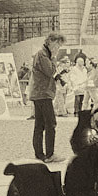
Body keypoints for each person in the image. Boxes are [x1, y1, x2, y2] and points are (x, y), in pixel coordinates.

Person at [28, 32, 66, 161]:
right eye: (58, 45)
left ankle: (39, 154)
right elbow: (50, 71)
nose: (58, 48)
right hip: (42, 94)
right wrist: (54, 58)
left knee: (39, 125)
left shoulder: (43, 54)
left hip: (40, 93)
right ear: (51, 42)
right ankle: (50, 154)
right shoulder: (43, 55)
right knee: (50, 123)